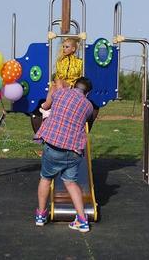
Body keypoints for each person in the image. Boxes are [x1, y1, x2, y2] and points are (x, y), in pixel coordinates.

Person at [34, 77, 93, 233]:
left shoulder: (61, 93)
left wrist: (51, 94)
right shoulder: (88, 106)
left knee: (46, 179)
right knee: (71, 183)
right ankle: (81, 220)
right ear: (87, 93)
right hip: (73, 150)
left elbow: (54, 92)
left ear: (74, 86)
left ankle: (40, 215)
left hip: (53, 145)